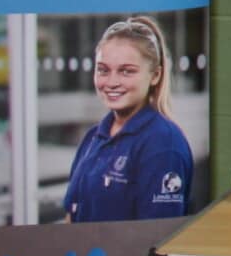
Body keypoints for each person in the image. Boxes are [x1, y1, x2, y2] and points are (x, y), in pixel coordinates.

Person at [62, 17, 195, 224]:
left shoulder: (163, 143)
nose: (112, 82)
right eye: (103, 70)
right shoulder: (92, 139)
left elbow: (155, 237)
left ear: (155, 76)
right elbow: (70, 217)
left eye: (127, 71)